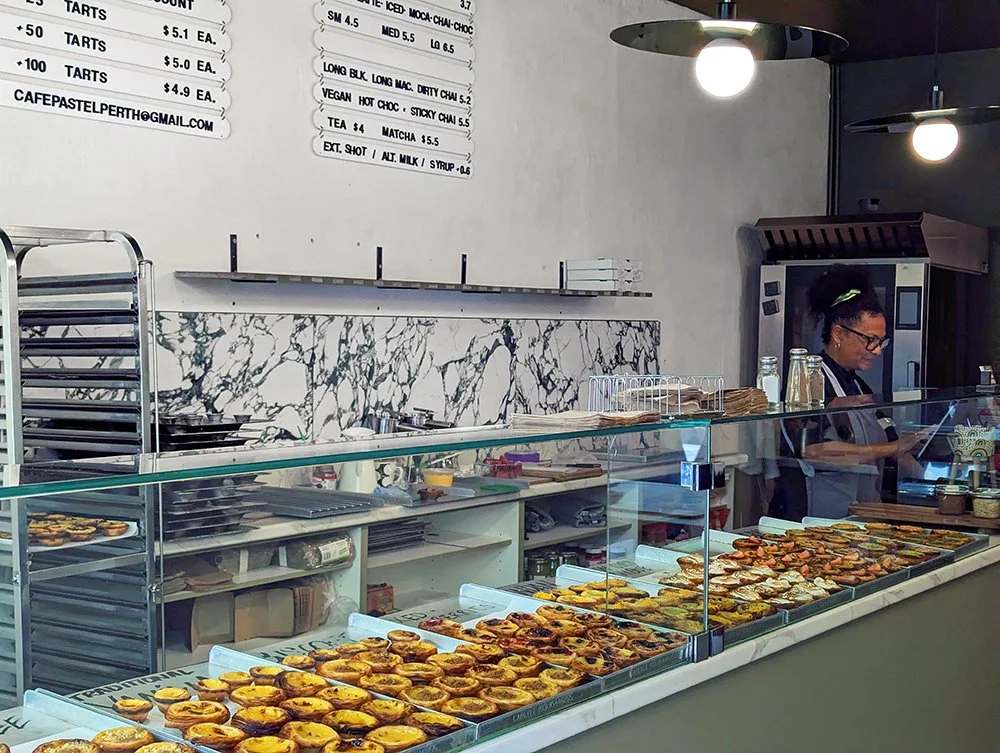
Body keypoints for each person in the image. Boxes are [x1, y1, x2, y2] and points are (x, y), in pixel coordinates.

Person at [783, 265, 927, 518]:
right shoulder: (809, 382)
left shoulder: (860, 387)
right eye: (869, 339)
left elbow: (896, 447)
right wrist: (890, 449)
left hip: (863, 519)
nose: (878, 350)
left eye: (881, 341)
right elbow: (813, 451)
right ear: (838, 333)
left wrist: (937, 482)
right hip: (818, 522)